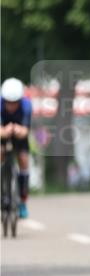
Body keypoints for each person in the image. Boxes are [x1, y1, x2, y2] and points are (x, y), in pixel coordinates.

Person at [1, 78, 32, 218]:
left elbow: (26, 130)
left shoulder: (26, 106)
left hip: (19, 134)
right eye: (8, 102)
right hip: (3, 132)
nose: (11, 105)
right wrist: (4, 132)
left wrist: (19, 131)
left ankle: (23, 200)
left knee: (23, 159)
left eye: (14, 102)